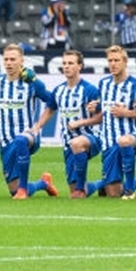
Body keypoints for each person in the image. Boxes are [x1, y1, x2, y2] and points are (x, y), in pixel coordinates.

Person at [0, 44, 59, 200]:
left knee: (20, 140)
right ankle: (43, 183)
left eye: (13, 59)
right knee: (13, 190)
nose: (9, 63)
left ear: (22, 61)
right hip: (5, 140)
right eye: (6, 59)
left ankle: (23, 190)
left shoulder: (32, 82)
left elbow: (53, 101)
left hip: (28, 136)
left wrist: (37, 127)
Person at [30, 50, 105, 198]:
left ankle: (80, 189)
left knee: (77, 143)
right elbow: (49, 109)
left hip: (91, 138)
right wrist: (37, 127)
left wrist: (82, 122)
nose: (66, 66)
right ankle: (101, 184)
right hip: (68, 142)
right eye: (64, 63)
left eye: (70, 63)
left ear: (79, 66)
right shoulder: (59, 91)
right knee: (74, 190)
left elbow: (102, 117)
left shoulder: (89, 90)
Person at [89, 45, 136, 199]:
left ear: (125, 62)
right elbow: (102, 107)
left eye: (117, 60)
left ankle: (130, 191)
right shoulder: (103, 84)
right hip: (107, 142)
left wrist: (127, 112)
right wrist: (95, 106)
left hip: (130, 137)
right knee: (113, 193)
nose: (113, 64)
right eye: (110, 61)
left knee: (124, 140)